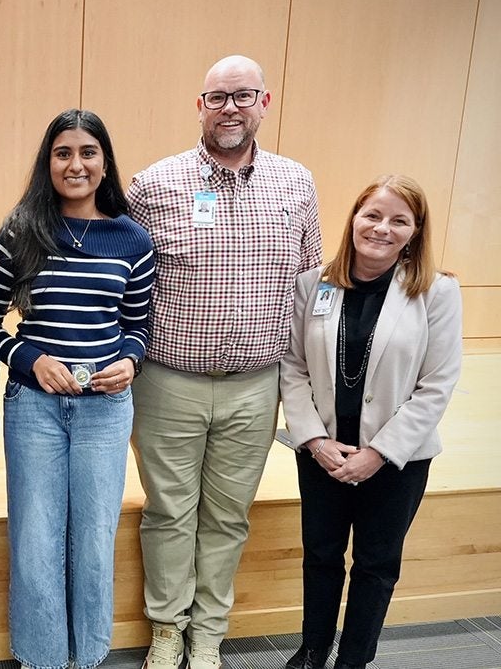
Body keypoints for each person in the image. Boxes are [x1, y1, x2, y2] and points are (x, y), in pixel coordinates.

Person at [128, 55, 324, 669]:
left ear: (265, 102)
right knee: (168, 513)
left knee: (228, 516)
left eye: (243, 95)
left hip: (255, 387)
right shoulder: (153, 185)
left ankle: (208, 633)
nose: (230, 107)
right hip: (168, 384)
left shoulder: (297, 184)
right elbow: (125, 283)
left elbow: (311, 286)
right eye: (218, 97)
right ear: (200, 106)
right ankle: (166, 628)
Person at [0, 109, 155, 669]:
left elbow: (138, 327)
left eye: (87, 153)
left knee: (94, 539)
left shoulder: (132, 239)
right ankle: (43, 658)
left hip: (105, 411)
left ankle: (88, 657)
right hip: (34, 408)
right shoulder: (21, 230)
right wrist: (31, 360)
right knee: (35, 542)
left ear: (104, 163)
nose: (75, 164)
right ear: (48, 162)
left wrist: (130, 362)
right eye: (63, 154)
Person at [279, 175, 462, 669]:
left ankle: (353, 660)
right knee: (321, 556)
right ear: (354, 219)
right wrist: (314, 439)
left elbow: (437, 384)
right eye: (372, 215)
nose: (382, 228)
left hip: (396, 461)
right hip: (324, 453)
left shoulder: (437, 292)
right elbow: (292, 366)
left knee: (376, 566)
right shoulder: (312, 284)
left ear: (414, 232)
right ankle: (313, 649)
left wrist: (378, 453)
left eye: (399, 220)